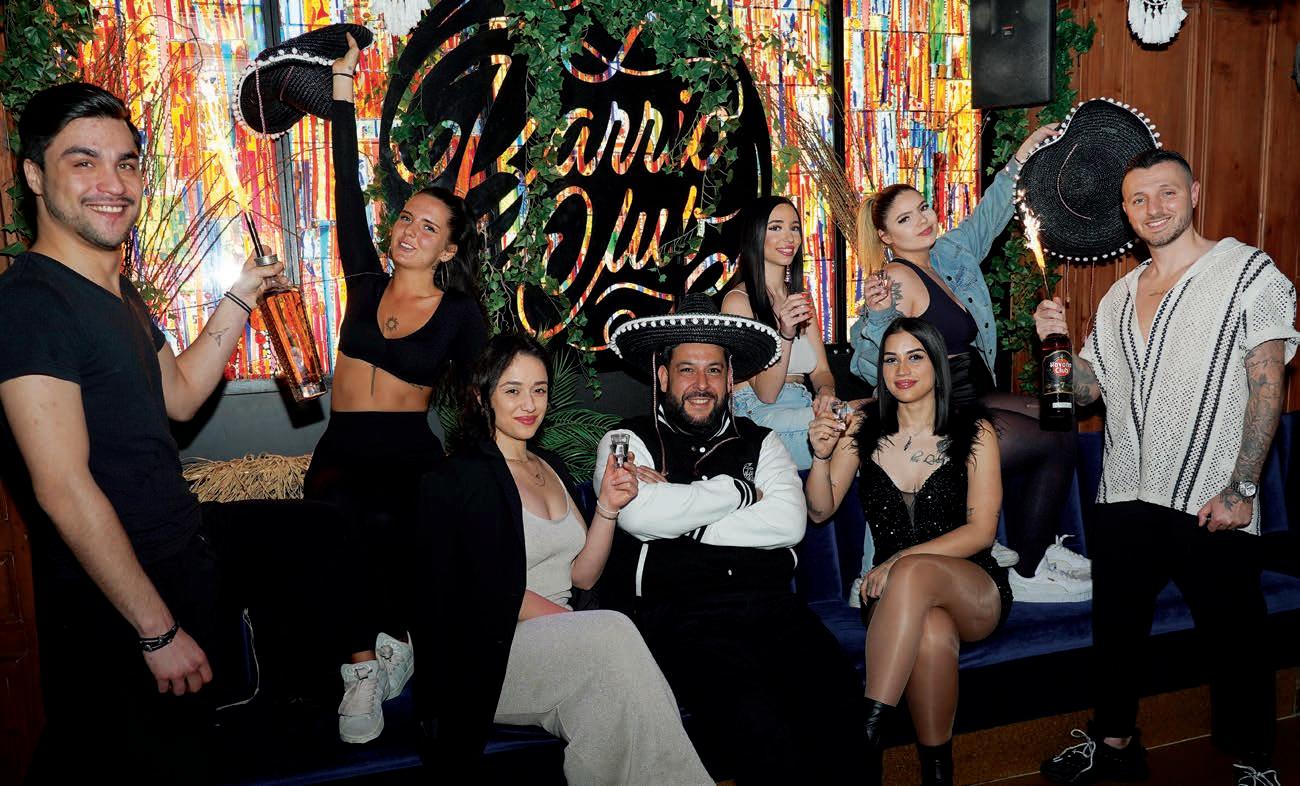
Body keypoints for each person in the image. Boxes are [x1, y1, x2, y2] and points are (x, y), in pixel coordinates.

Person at [0, 82, 375, 782]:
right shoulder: (31, 304)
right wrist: (156, 629)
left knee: (323, 531)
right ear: (34, 176)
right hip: (116, 603)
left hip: (181, 548)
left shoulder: (116, 291)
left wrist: (241, 294)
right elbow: (62, 487)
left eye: (126, 163)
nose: (113, 183)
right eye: (83, 161)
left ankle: (363, 672)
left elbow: (178, 395)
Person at [1034, 149, 1297, 786]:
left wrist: (1242, 487)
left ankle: (1255, 762)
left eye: (1167, 193)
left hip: (1213, 492)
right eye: (1139, 199)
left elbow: (1268, 385)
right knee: (1116, 630)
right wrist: (1055, 344)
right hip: (1126, 488)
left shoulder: (1246, 272)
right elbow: (1089, 392)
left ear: (1194, 193)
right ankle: (1115, 743)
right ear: (1126, 212)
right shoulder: (1119, 296)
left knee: (1234, 635)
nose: (1154, 208)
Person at [414, 333, 711, 784]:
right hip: (491, 653)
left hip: (568, 644)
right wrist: (587, 628)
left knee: (603, 713)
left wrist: (607, 507)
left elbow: (581, 576)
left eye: (539, 389)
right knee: (613, 634)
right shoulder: (461, 477)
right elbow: (494, 593)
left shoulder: (550, 464)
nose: (529, 404)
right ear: (481, 397)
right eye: (512, 390)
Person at [595, 293, 862, 785]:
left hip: (773, 607)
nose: (701, 384)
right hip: (681, 617)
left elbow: (789, 523)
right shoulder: (625, 440)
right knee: (760, 726)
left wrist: (681, 515)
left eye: (714, 371)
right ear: (662, 377)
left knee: (840, 705)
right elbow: (639, 514)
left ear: (729, 377)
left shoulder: (763, 440)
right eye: (687, 370)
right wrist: (740, 492)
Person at [302, 31, 487, 741]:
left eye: (428, 227)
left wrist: (494, 467)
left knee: (396, 533)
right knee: (333, 526)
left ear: (448, 248)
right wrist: (343, 88)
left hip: (409, 453)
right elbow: (346, 187)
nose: (410, 230)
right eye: (406, 217)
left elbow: (482, 394)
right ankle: (362, 673)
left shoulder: (460, 313)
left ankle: (392, 644)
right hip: (342, 445)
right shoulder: (363, 279)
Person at [851, 123, 1090, 603]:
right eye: (906, 219)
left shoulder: (948, 254)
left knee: (1059, 418)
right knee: (1049, 438)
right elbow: (869, 364)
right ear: (885, 236)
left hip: (976, 389)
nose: (923, 219)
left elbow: (989, 215)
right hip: (943, 409)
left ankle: (1029, 550)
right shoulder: (896, 278)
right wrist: (875, 319)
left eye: (923, 207)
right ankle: (1027, 569)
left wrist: (1021, 158)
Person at [806, 317, 1009, 786]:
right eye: (891, 359)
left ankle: (864, 731)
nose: (902, 370)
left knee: (913, 571)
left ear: (937, 364)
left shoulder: (974, 430)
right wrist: (820, 457)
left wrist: (898, 560)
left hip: (971, 586)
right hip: (892, 600)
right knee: (932, 633)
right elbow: (819, 511)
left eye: (915, 357)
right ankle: (938, 771)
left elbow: (981, 532)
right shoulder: (862, 428)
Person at [722, 196, 843, 470]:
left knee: (863, 417)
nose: (789, 237)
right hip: (759, 412)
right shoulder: (738, 302)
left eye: (795, 227)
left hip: (804, 403)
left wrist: (826, 392)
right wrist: (785, 334)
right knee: (851, 425)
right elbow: (766, 393)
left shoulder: (800, 298)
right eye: (775, 227)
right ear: (755, 234)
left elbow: (822, 371)